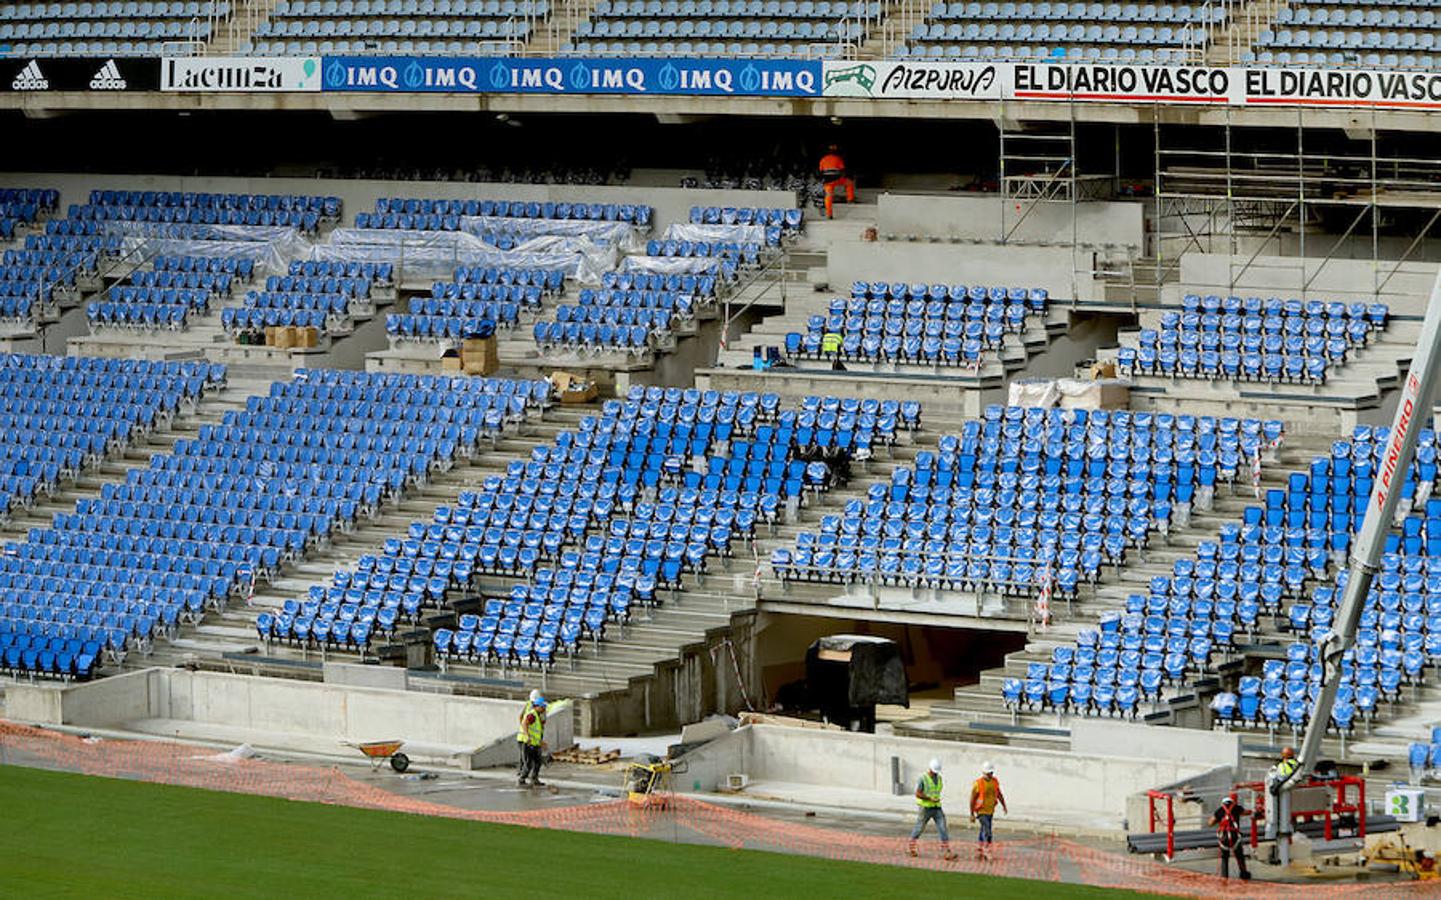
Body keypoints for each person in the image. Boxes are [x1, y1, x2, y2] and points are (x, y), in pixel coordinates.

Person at [907, 758, 957, 860]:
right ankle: (911, 847)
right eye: (934, 771)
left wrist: (935, 799)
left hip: (936, 807)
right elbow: (917, 793)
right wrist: (929, 798)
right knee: (919, 828)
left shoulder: (939, 778)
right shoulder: (922, 778)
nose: (935, 774)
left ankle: (946, 851)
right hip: (925, 808)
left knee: (943, 828)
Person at [969, 761, 1008, 858]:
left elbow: (999, 794)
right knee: (987, 829)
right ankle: (987, 848)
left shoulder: (994, 782)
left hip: (990, 810)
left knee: (984, 829)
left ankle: (980, 846)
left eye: (991, 773)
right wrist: (972, 814)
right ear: (984, 773)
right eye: (988, 773)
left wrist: (1004, 805)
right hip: (981, 811)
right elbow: (972, 799)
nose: (990, 775)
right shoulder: (978, 784)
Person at [1208, 795, 1251, 880]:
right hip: (1235, 837)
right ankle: (1244, 874)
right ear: (1232, 802)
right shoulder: (1237, 808)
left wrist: (1219, 820)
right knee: (1240, 856)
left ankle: (1225, 876)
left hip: (1224, 838)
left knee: (1224, 857)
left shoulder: (1219, 810)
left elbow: (1210, 823)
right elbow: (1247, 812)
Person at [516, 689, 547, 787]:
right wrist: (527, 736)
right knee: (528, 763)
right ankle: (521, 779)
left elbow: (537, 731)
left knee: (538, 762)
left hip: (535, 743)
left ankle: (534, 779)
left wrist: (541, 742)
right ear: (537, 706)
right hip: (527, 743)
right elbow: (524, 723)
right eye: (542, 707)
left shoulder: (537, 715)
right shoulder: (532, 715)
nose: (544, 709)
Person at [818, 144, 855, 219]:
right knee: (849, 183)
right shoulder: (838, 158)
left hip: (828, 182)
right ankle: (850, 199)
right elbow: (842, 170)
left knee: (828, 197)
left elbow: (820, 171)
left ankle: (829, 214)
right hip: (837, 180)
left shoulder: (823, 159)